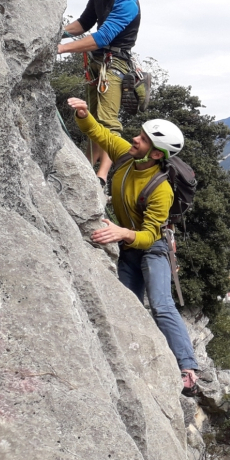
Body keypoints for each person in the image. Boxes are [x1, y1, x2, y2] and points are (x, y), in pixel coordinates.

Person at [66, 96, 199, 393]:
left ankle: (188, 368)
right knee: (127, 305)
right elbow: (101, 134)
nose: (134, 139)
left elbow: (151, 234)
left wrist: (122, 233)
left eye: (142, 138)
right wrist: (84, 114)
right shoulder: (127, 157)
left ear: (155, 154)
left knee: (162, 304)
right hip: (127, 245)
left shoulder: (161, 189)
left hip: (152, 249)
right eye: (139, 134)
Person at [58, 0, 142, 185]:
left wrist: (61, 48)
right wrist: (58, 33)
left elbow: (103, 36)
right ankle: (87, 166)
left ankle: (101, 177)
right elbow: (85, 22)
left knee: (107, 122)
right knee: (92, 118)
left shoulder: (127, 0)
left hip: (114, 65)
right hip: (98, 63)